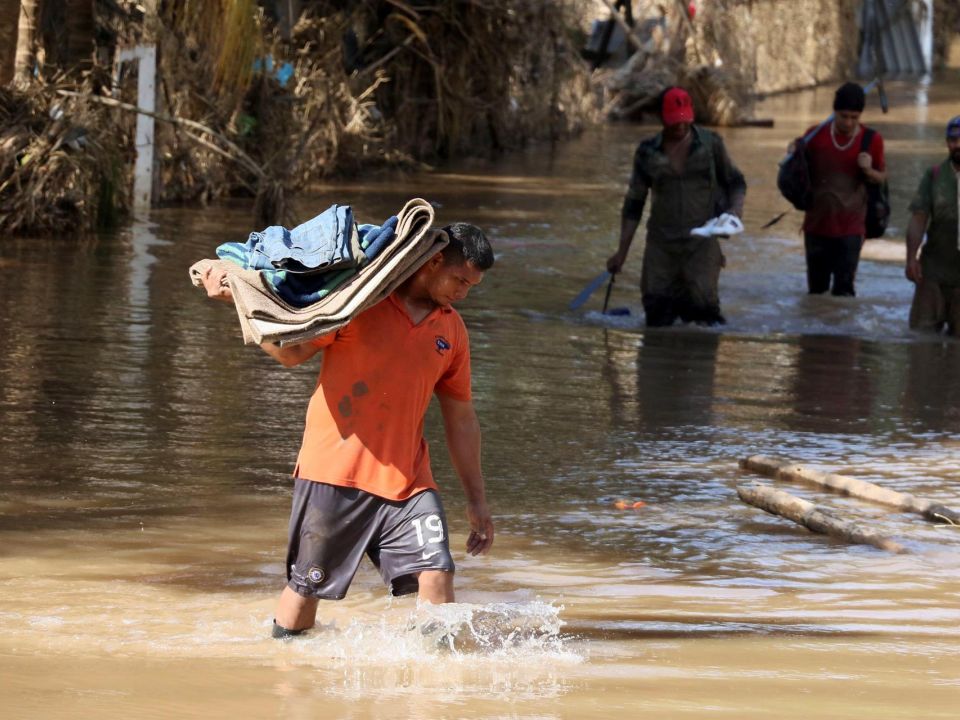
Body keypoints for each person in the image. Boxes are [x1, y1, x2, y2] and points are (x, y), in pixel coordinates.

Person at [201, 223, 496, 638]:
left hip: (407, 483)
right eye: (460, 280)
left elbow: (461, 418)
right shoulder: (361, 301)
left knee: (437, 571)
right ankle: (287, 678)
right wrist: (240, 301)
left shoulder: (452, 332)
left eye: (472, 286)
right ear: (432, 262)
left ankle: (433, 691)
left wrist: (477, 500)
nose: (464, 293)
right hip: (333, 472)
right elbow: (293, 354)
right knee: (306, 590)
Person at [606, 86, 746, 327]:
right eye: (674, 122)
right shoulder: (647, 152)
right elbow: (634, 203)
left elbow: (736, 183)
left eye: (685, 121)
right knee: (656, 314)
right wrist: (622, 252)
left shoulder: (711, 145)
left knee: (704, 314)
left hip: (701, 243)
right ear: (661, 118)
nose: (680, 126)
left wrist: (734, 214)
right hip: (661, 246)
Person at [796, 82, 886, 296]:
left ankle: (843, 329)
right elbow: (794, 172)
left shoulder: (871, 140)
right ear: (834, 112)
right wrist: (793, 152)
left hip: (851, 228)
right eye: (843, 116)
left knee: (844, 292)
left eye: (854, 117)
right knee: (816, 292)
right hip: (816, 226)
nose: (848, 122)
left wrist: (868, 170)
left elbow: (882, 177)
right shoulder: (813, 136)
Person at [904, 116, 960, 336]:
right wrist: (911, 258)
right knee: (920, 345)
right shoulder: (934, 175)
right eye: (953, 140)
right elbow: (919, 218)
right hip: (932, 274)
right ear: (947, 142)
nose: (958, 145)